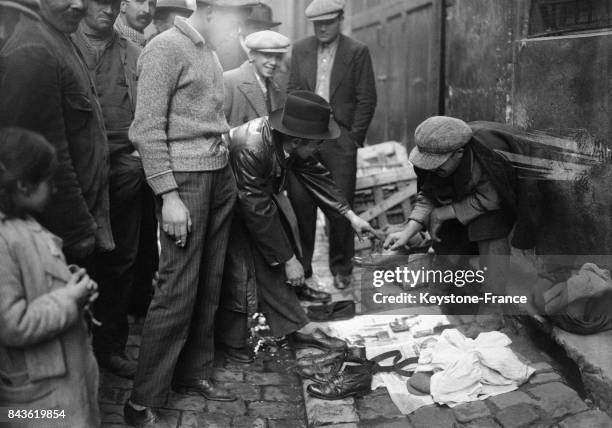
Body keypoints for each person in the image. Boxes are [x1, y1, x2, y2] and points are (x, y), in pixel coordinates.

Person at [124, 1, 257, 425]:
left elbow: (209, 118)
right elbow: (146, 128)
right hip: (185, 182)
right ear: (211, 12)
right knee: (177, 286)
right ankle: (141, 400)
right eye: (234, 19)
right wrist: (169, 195)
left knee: (210, 278)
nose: (238, 30)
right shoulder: (165, 48)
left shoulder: (210, 51)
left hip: (219, 176)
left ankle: (192, 372)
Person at [220, 91, 378, 359]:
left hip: (250, 200)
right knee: (239, 268)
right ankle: (232, 342)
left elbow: (317, 175)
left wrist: (350, 216)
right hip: (226, 204)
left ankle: (296, 326)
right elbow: (257, 211)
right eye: (317, 143)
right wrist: (288, 259)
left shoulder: (290, 144)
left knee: (272, 258)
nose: (319, 149)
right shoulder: (252, 146)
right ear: (297, 140)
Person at [0, 0, 114, 266]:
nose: (80, 4)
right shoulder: (34, 48)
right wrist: (76, 230)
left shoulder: (57, 38)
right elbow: (44, 157)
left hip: (80, 218)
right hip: (60, 233)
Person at [0, 128, 100, 427]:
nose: (55, 189)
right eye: (49, 180)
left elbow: (34, 276)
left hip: (62, 382)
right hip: (37, 404)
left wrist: (68, 282)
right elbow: (11, 323)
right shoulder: (3, 240)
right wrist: (68, 298)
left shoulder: (24, 221)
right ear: (24, 184)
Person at [384, 116, 540, 304]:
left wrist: (443, 213)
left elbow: (491, 199)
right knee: (445, 238)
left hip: (495, 206)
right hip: (460, 202)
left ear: (459, 153)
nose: (431, 169)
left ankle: (492, 301)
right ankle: (444, 290)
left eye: (437, 164)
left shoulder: (488, 158)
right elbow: (427, 195)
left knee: (490, 231)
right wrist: (407, 232)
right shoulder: (435, 168)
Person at [72, 0, 146, 378]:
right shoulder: (65, 45)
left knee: (121, 262)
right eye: (100, 3)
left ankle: (112, 346)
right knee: (78, 258)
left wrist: (136, 158)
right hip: (77, 172)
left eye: (114, 4)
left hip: (123, 172)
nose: (108, 10)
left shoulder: (133, 53)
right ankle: (77, 350)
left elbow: (148, 114)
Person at [288, 0, 377, 291]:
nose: (322, 28)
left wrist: (353, 140)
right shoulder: (301, 49)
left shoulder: (357, 51)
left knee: (341, 205)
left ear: (340, 18)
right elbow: (292, 91)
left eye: (328, 21)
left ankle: (342, 267)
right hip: (304, 139)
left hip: (340, 141)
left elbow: (367, 99)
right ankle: (305, 270)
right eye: (317, 23)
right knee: (301, 204)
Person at [223, 30, 289, 127]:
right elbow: (217, 128)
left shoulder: (276, 87)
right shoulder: (229, 81)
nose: (274, 62)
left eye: (278, 57)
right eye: (268, 56)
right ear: (252, 55)